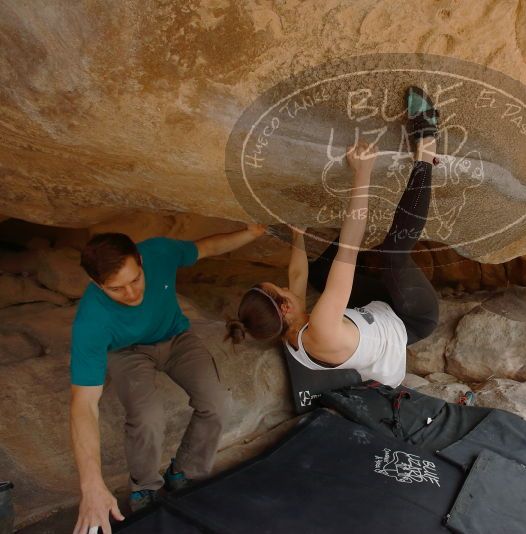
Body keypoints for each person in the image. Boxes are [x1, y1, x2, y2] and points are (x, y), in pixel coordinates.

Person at [226, 86, 441, 388]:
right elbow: (349, 248)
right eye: (282, 289)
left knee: (317, 272)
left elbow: (298, 274)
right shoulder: (322, 327)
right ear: (285, 308)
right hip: (411, 319)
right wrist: (363, 173)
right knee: (393, 254)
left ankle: (378, 272)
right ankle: (428, 145)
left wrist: (297, 236)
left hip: (376, 309)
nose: (289, 288)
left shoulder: (287, 330)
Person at [70, 224, 266, 534]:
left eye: (136, 279)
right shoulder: (90, 321)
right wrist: (91, 484)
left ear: (141, 260)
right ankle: (144, 487)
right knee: (148, 418)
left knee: (216, 402)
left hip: (176, 337)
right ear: (96, 284)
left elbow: (207, 246)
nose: (132, 293)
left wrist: (252, 233)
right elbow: (84, 405)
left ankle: (184, 473)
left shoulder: (158, 252)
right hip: (127, 352)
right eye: (116, 289)